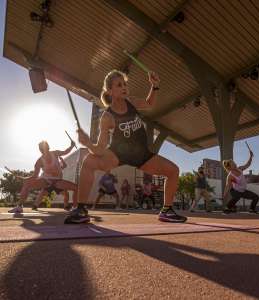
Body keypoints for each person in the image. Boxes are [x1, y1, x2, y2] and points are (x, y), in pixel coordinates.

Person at [66, 69, 187, 223]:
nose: (124, 87)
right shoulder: (107, 117)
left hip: (142, 154)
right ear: (110, 91)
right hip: (118, 153)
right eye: (119, 85)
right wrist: (87, 143)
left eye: (124, 84)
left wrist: (154, 86)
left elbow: (149, 104)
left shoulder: (131, 102)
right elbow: (100, 149)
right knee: (89, 160)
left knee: (173, 171)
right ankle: (81, 210)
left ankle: (167, 210)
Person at [8, 140, 77, 213]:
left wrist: (72, 146)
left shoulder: (55, 153)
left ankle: (75, 208)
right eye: (41, 148)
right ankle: (19, 206)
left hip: (58, 181)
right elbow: (34, 176)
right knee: (27, 184)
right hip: (46, 181)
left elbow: (65, 152)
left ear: (48, 147)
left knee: (76, 188)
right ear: (40, 150)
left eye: (45, 147)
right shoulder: (39, 161)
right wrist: (23, 178)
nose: (43, 149)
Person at [222, 148, 259, 214]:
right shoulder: (230, 176)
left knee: (256, 197)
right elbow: (227, 186)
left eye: (234, 162)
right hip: (234, 191)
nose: (235, 163)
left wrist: (250, 156)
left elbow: (248, 164)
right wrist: (224, 195)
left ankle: (251, 209)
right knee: (237, 196)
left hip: (243, 190)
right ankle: (227, 208)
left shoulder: (240, 169)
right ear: (230, 167)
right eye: (233, 163)